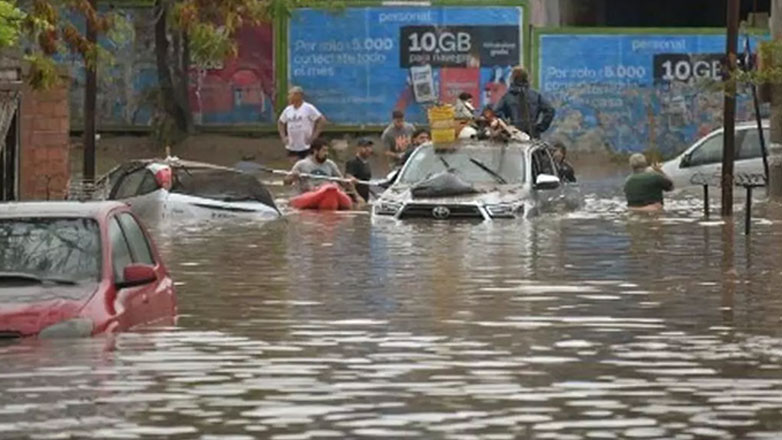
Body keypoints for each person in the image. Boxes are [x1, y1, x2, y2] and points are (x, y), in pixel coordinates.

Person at [493, 66, 555, 139]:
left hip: (515, 134)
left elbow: (496, 112)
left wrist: (506, 126)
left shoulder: (508, 97)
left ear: (512, 79)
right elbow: (550, 110)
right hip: (533, 134)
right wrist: (541, 127)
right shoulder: (535, 95)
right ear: (527, 78)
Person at [278, 86, 326, 162]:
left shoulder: (308, 108)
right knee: (295, 167)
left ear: (298, 95)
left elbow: (321, 120)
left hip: (306, 145)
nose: (288, 97)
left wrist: (314, 136)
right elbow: (281, 122)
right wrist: (283, 137)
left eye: (290, 95)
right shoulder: (288, 109)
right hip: (292, 145)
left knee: (307, 165)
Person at [345, 138, 374, 202]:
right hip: (355, 200)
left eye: (369, 147)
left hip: (365, 198)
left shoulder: (366, 163)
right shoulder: (353, 162)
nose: (368, 149)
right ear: (358, 148)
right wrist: (357, 196)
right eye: (365, 147)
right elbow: (348, 179)